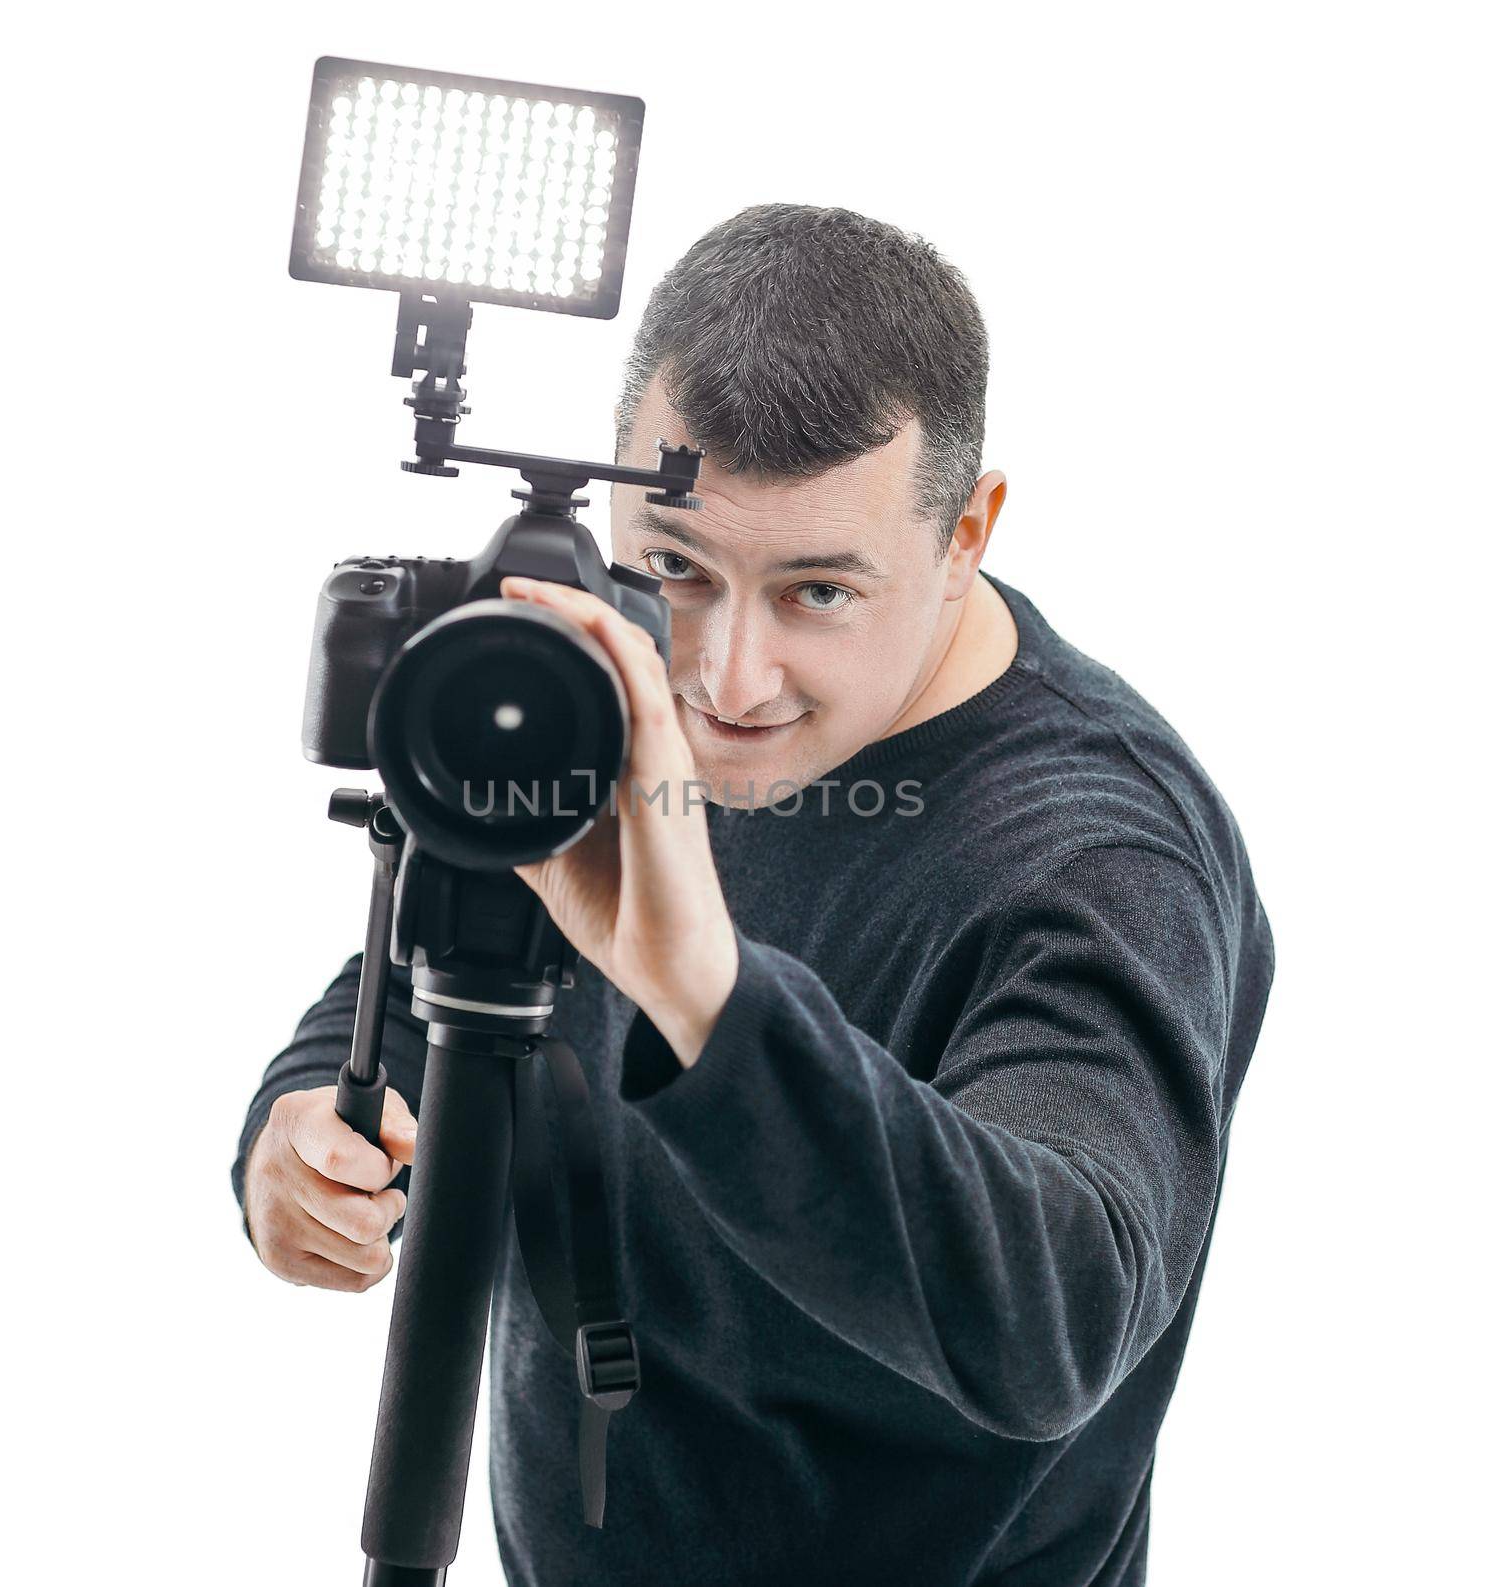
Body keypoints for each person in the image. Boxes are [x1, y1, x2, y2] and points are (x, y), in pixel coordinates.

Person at [231, 202, 1276, 1586]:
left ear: (968, 529)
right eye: (675, 566)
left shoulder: (1096, 855)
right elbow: (447, 945)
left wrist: (704, 994)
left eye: (818, 593)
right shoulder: (609, 669)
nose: (723, 683)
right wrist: (304, 1126)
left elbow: (1055, 1316)